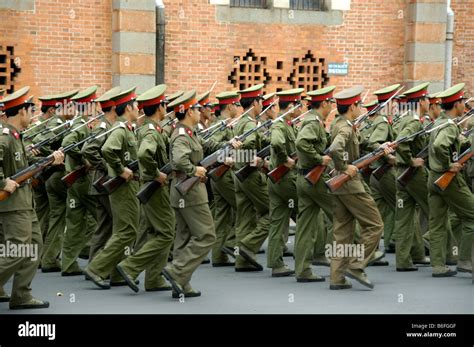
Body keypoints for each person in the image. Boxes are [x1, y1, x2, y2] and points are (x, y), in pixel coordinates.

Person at [163, 90, 241, 298]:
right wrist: (193, 170)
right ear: (188, 112)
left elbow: (209, 147)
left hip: (183, 190)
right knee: (207, 235)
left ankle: (181, 283)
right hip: (189, 191)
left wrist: (228, 146)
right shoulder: (181, 134)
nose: (200, 111)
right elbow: (179, 160)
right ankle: (176, 271)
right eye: (197, 108)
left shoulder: (191, 132)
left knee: (184, 236)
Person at [0, 86, 64, 309]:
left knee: (34, 245)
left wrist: (49, 161)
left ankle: (21, 294)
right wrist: (2, 182)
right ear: (21, 112)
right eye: (30, 109)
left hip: (26, 204)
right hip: (13, 206)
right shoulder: (5, 137)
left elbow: (23, 168)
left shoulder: (16, 137)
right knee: (17, 251)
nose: (32, 113)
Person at [328, 86, 386, 290]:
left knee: (342, 231)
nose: (361, 107)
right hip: (350, 184)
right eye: (359, 104)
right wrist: (345, 167)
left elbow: (353, 147)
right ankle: (356, 264)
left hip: (341, 185)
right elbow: (335, 149)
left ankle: (337, 277)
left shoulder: (339, 123)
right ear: (352, 106)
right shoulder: (345, 127)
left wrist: (380, 150)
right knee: (375, 225)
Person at [427, 83, 473, 279]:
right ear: (457, 104)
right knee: (472, 216)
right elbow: (440, 145)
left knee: (437, 224)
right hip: (448, 180)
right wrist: (449, 165)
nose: (465, 105)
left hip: (433, 178)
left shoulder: (440, 122)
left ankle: (438, 266)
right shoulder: (450, 125)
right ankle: (464, 259)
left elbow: (452, 143)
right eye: (463, 101)